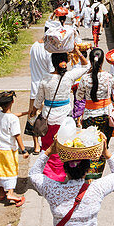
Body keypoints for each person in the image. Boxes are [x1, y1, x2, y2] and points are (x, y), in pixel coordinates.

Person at [29, 52, 86, 182]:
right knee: (64, 146)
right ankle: (63, 174)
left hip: (48, 118)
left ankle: (49, 175)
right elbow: (87, 66)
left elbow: (39, 100)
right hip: (64, 119)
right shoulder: (70, 76)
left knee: (48, 147)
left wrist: (33, 111)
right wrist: (77, 52)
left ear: (53, 63)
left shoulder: (45, 78)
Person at [76, 48, 114, 179]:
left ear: (91, 61)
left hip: (89, 117)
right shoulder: (108, 77)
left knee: (90, 146)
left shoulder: (85, 78)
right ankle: (97, 175)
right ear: (103, 61)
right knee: (103, 146)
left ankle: (88, 175)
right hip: (105, 116)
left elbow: (79, 96)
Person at [0, 90, 29, 206]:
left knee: (0, 169)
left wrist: (26, 113)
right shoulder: (13, 120)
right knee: (11, 170)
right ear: (13, 101)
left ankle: (2, 192)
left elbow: (11, 116)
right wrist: (23, 150)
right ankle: (11, 193)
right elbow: (17, 136)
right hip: (8, 149)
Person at [26, 26, 52, 153]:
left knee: (33, 115)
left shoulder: (34, 46)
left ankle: (36, 145)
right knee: (47, 116)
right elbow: (51, 71)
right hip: (46, 86)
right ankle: (46, 143)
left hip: (34, 85)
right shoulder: (48, 50)